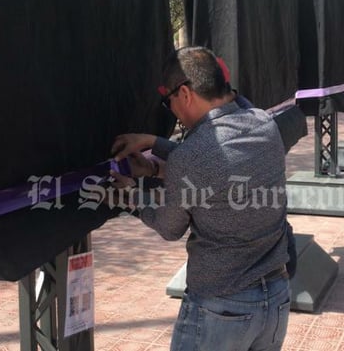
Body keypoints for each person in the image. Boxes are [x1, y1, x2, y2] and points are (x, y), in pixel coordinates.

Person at [109, 47, 290, 351]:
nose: (173, 111)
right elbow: (215, 166)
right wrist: (155, 147)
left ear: (185, 94)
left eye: (168, 103)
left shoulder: (192, 157)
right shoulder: (263, 123)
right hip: (276, 299)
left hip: (222, 309)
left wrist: (131, 198)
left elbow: (170, 227)